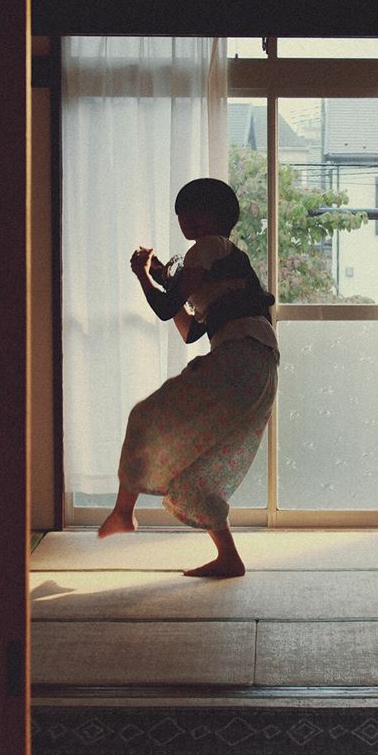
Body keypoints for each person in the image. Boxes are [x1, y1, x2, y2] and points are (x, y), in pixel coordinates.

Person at [97, 178, 278, 578]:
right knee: (194, 479)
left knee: (146, 416)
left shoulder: (209, 245)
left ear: (218, 218)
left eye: (197, 212)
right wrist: (161, 277)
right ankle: (228, 558)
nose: (188, 220)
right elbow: (190, 331)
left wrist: (144, 276)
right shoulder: (219, 259)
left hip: (240, 358)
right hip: (256, 365)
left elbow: (166, 307)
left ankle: (123, 513)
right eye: (183, 213)